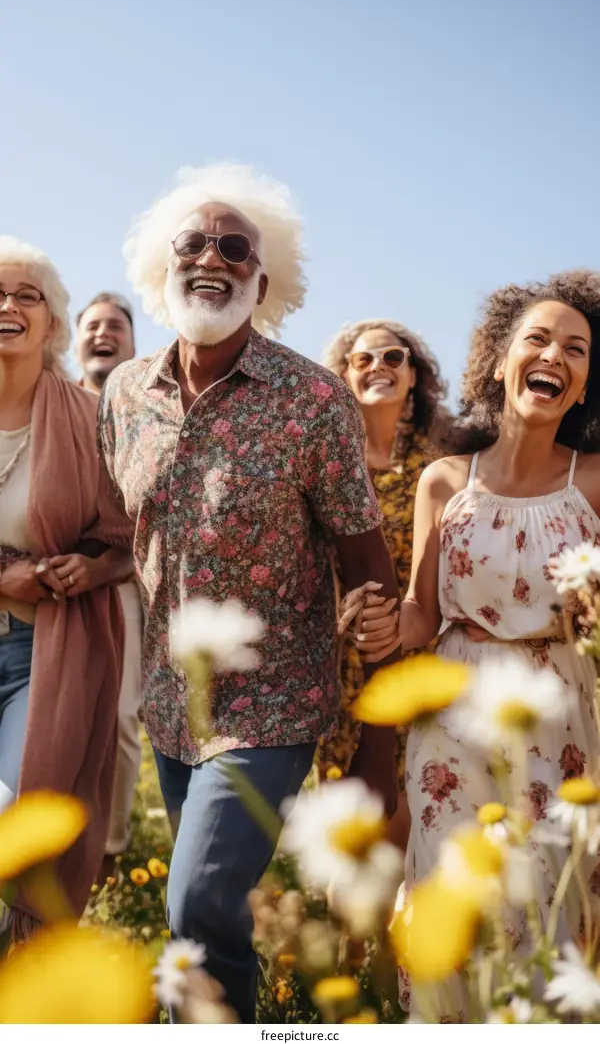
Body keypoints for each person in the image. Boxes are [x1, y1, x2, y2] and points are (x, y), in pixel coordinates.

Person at [96, 162, 404, 1023]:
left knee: (192, 902)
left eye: (237, 249)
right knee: (207, 917)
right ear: (163, 266)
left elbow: (367, 561)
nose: (214, 259)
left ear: (263, 281)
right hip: (171, 698)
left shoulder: (313, 401)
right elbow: (119, 528)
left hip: (277, 699)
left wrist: (377, 749)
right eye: (194, 243)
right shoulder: (123, 395)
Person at [347, 271, 600, 1012]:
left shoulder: (594, 484)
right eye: (538, 338)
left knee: (555, 906)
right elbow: (424, 614)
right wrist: (383, 622)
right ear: (499, 361)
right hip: (452, 723)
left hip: (560, 722)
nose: (555, 354)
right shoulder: (443, 482)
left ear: (584, 384)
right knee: (452, 902)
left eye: (576, 349)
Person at [0, 237, 133, 936]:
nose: (8, 306)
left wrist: (90, 566)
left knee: (20, 815)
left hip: (40, 653)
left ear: (52, 321)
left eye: (26, 295)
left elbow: (130, 535)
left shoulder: (88, 418)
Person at [316, 320, 447, 850]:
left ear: (413, 376)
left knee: (414, 812)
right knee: (344, 818)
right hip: (340, 662)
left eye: (393, 358)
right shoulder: (323, 461)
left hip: (422, 657)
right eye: (363, 359)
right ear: (344, 376)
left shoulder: (444, 464)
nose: (379, 368)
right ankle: (345, 934)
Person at [76, 292, 143, 869]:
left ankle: (111, 853)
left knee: (122, 719)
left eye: (115, 325)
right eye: (92, 325)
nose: (103, 333)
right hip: (47, 584)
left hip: (124, 582)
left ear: (132, 341)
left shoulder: (144, 407)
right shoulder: (50, 402)